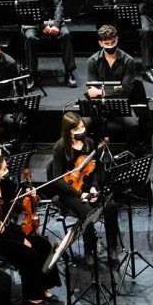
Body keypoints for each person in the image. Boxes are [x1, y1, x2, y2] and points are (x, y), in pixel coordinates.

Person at [0, 155, 61, 305]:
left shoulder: (4, 183)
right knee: (29, 253)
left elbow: (16, 202)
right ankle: (31, 294)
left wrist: (29, 193)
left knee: (44, 244)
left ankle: (42, 286)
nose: (7, 171)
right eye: (4, 169)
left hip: (10, 228)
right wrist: (21, 238)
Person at [52, 112, 121, 266]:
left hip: (89, 188)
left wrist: (94, 188)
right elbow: (57, 180)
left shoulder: (89, 143)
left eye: (82, 126)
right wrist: (79, 194)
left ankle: (112, 248)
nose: (82, 130)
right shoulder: (60, 147)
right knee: (88, 213)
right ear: (69, 130)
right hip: (69, 192)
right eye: (77, 129)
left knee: (110, 207)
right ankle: (88, 249)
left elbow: (95, 170)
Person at [20, 0, 77, 89]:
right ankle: (32, 75)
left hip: (53, 21)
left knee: (66, 34)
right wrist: (42, 26)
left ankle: (69, 72)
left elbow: (58, 5)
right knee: (30, 37)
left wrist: (56, 24)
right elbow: (29, 10)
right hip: (34, 22)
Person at [86, 24, 144, 150]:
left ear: (117, 39)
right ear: (100, 43)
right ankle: (94, 155)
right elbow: (91, 91)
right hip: (99, 104)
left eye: (113, 42)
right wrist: (116, 88)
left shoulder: (128, 61)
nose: (111, 46)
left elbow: (126, 91)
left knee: (133, 124)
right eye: (107, 43)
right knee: (84, 124)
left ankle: (130, 155)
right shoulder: (92, 61)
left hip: (120, 103)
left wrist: (101, 91)